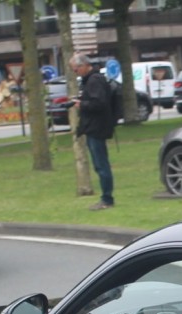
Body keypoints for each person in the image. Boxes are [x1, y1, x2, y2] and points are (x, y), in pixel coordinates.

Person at [70, 53, 115, 211]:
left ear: (84, 66)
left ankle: (107, 198)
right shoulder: (91, 80)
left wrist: (82, 105)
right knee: (100, 164)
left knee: (101, 164)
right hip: (94, 127)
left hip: (97, 128)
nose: (76, 73)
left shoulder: (94, 80)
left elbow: (99, 103)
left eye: (76, 70)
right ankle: (106, 197)